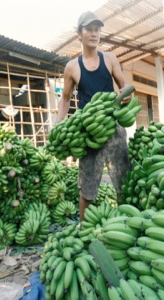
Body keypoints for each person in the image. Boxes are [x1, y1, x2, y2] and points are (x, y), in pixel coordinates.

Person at [56, 11, 132, 222]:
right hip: (89, 131)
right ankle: (84, 230)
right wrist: (58, 125)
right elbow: (65, 98)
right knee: (87, 187)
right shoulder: (72, 67)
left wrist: (127, 93)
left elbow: (123, 84)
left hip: (113, 127)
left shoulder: (110, 59)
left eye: (97, 29)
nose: (94, 33)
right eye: (89, 29)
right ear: (79, 34)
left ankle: (125, 224)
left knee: (122, 181)